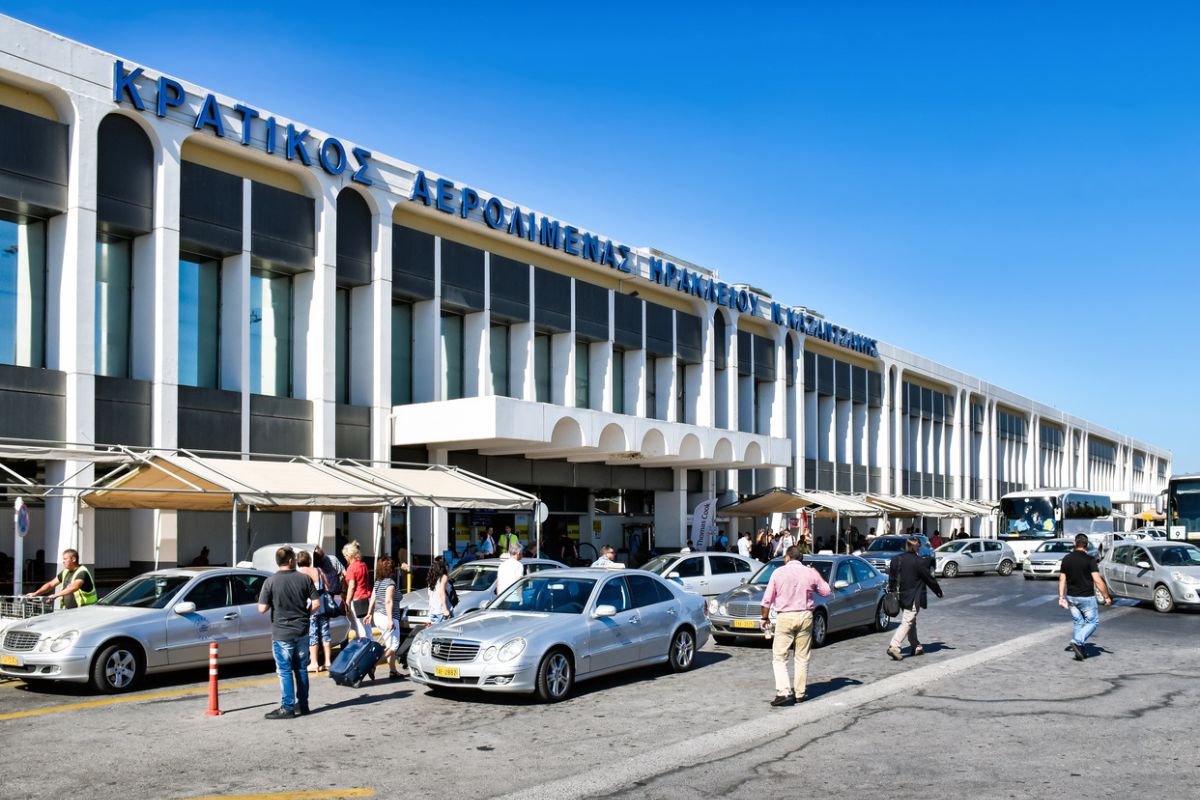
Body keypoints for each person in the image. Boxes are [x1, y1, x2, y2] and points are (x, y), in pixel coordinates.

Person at [760, 546, 831, 706]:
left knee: (779, 656)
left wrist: (764, 618)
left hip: (785, 616)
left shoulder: (778, 573)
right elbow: (826, 591)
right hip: (805, 615)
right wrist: (816, 573)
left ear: (787, 558)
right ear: (801, 559)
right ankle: (800, 693)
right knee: (801, 656)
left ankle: (784, 692)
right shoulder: (810, 572)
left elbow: (766, 599)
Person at [257, 546, 319, 719]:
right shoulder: (305, 579)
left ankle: (288, 707)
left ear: (278, 562)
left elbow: (262, 608)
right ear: (291, 561)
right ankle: (303, 704)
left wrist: (272, 602)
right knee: (301, 669)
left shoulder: (270, 582)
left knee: (284, 670)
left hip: (282, 633)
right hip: (302, 631)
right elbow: (316, 604)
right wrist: (305, 615)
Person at [887, 537, 944, 660]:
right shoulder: (918, 562)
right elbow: (928, 578)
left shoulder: (897, 559)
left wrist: (891, 590)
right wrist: (938, 591)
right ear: (916, 548)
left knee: (911, 621)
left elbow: (891, 577)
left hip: (900, 595)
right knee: (907, 621)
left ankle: (916, 646)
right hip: (913, 596)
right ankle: (894, 646)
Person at [1058, 533, 1112, 660]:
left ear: (1074, 544)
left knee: (1078, 622)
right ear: (1087, 545)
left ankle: (1080, 651)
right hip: (1086, 597)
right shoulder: (1090, 560)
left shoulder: (1066, 559)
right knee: (1092, 622)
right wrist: (1106, 597)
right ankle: (1077, 641)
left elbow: (1062, 579)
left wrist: (1061, 596)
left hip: (1071, 597)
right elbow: (1098, 581)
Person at [365, 557, 403, 678]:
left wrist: (369, 613)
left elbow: (373, 598)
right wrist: (391, 620)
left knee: (389, 643)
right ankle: (373, 664)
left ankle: (393, 671)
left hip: (377, 616)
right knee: (394, 646)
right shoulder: (390, 583)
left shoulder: (378, 582)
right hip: (388, 617)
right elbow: (388, 601)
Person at [297, 550, 333, 673]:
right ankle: (328, 662)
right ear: (309, 560)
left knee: (313, 634)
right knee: (325, 633)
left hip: (311, 606)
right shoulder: (319, 570)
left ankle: (314, 663)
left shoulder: (299, 573)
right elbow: (328, 586)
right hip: (323, 605)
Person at [26, 549, 97, 608]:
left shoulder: (82, 572)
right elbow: (51, 584)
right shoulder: (65, 571)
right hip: (70, 611)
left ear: (74, 559)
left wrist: (55, 595)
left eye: (65, 559)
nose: (63, 561)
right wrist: (36, 593)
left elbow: (74, 587)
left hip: (85, 611)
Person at [342, 541, 371, 622]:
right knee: (367, 625)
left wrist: (347, 602)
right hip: (367, 597)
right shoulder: (363, 565)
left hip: (357, 599)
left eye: (345, 556)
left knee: (360, 627)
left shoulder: (351, 568)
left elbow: (352, 587)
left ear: (349, 556)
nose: (345, 558)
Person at [426, 556, 452, 625]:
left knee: (434, 634)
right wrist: (445, 609)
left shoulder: (432, 576)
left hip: (432, 610)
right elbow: (442, 593)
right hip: (441, 611)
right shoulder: (444, 577)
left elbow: (429, 593)